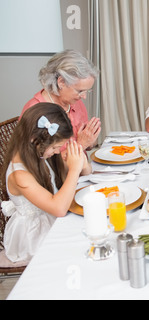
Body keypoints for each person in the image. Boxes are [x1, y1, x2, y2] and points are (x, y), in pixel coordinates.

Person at [1, 103, 91, 263]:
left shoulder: (41, 154)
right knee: (82, 246)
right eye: (56, 147)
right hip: (32, 236)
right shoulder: (19, 174)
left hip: (50, 219)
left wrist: (81, 164)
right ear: (35, 140)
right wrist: (74, 170)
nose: (58, 151)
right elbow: (59, 209)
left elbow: (85, 174)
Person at [21, 49, 101, 151]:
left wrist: (91, 139)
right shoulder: (35, 111)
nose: (84, 97)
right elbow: (42, 164)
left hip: (82, 166)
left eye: (87, 91)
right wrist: (81, 145)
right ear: (61, 82)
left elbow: (88, 145)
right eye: (80, 91)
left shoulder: (76, 102)